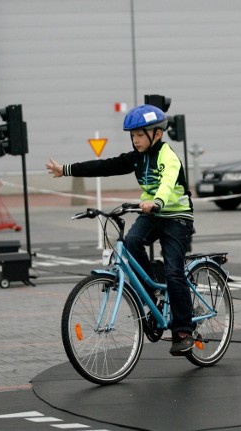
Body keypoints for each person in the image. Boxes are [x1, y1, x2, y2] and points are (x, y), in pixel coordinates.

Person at [45, 104, 196, 356]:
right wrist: (66, 170)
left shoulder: (167, 156)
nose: (135, 140)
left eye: (139, 135)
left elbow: (168, 182)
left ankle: (183, 331)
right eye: (133, 135)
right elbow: (106, 166)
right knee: (131, 242)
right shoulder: (137, 157)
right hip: (151, 213)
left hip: (176, 216)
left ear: (157, 134)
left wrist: (157, 202)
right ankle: (153, 295)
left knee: (173, 271)